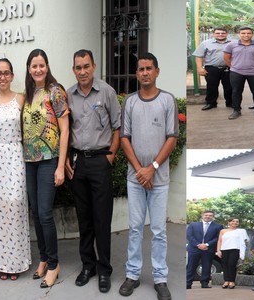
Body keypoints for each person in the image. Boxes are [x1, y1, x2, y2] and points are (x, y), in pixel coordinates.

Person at [119, 53, 178, 300]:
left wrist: (152, 167)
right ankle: (132, 274)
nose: (144, 72)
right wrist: (140, 170)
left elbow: (172, 138)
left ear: (157, 71)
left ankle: (160, 278)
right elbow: (124, 138)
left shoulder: (167, 100)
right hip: (135, 179)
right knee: (134, 228)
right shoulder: (130, 102)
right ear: (136, 73)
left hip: (159, 179)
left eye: (149, 68)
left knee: (158, 230)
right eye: (141, 69)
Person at [64, 49, 121, 293]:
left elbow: (118, 127)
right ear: (74, 70)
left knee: (101, 219)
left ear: (94, 66)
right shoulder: (68, 95)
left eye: (86, 66)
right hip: (79, 163)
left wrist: (111, 156)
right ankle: (88, 266)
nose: (82, 71)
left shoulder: (106, 92)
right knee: (84, 219)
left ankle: (104, 269)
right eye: (78, 67)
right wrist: (66, 158)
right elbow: (65, 130)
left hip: (100, 161)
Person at [22, 49, 69, 288]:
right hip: (29, 161)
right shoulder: (28, 93)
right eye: (34, 66)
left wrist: (61, 165)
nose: (38, 70)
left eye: (41, 65)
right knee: (35, 213)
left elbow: (65, 129)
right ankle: (42, 258)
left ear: (47, 67)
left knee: (44, 213)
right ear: (29, 69)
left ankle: (53, 264)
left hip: (49, 159)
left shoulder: (55, 91)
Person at [0, 58, 30, 281]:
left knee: (16, 205)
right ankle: (1, 262)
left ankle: (16, 262)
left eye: (6, 73)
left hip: (15, 157)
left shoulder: (21, 99)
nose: (2, 77)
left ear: (12, 76)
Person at [223, 26, 254, 120]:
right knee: (236, 91)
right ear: (238, 34)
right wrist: (233, 66)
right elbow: (226, 58)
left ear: (252, 34)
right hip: (236, 72)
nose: (246, 35)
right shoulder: (231, 45)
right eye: (243, 33)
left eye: (248, 33)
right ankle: (236, 110)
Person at [193, 27, 233, 111]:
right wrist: (200, 68)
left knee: (229, 86)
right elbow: (199, 56)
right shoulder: (206, 43)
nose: (220, 35)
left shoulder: (233, 43)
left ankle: (230, 102)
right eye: (218, 33)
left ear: (226, 34)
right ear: (213, 34)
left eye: (223, 33)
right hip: (211, 68)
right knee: (211, 86)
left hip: (229, 68)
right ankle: (211, 103)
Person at [186, 211, 222, 289]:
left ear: (213, 217)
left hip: (208, 249)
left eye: (210, 215)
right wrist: (198, 245)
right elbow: (189, 236)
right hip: (194, 249)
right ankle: (188, 283)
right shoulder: (193, 225)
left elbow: (218, 238)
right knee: (191, 266)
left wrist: (206, 244)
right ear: (202, 216)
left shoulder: (218, 226)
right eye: (206, 215)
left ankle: (205, 283)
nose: (208, 216)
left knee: (207, 266)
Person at [216, 217, 248, 289]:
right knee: (225, 265)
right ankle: (226, 281)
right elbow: (219, 241)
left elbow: (245, 241)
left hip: (235, 249)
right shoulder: (223, 231)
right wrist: (218, 250)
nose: (235, 223)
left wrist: (243, 250)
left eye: (237, 221)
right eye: (233, 221)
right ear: (229, 222)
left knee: (231, 264)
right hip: (224, 249)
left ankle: (232, 281)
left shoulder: (241, 231)